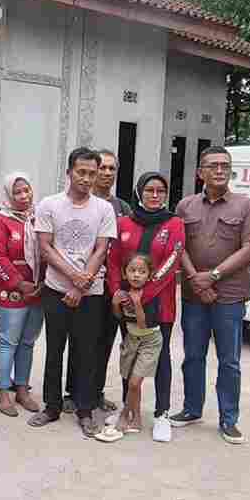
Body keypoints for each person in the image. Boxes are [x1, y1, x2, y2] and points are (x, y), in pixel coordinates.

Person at [172, 146, 250, 445]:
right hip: (194, 295)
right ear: (200, 172)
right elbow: (178, 246)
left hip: (230, 296)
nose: (220, 170)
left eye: (225, 165)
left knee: (229, 361)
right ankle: (191, 409)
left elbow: (249, 249)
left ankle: (229, 419)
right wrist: (196, 280)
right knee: (193, 356)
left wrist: (212, 276)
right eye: (213, 165)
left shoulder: (246, 206)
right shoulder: (185, 206)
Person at [28, 148, 116, 439]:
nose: (87, 178)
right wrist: (73, 278)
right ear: (69, 172)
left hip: (91, 292)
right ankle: (51, 406)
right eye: (81, 172)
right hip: (56, 289)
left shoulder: (104, 209)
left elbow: (101, 249)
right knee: (54, 349)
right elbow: (45, 247)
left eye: (92, 173)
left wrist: (81, 284)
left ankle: (85, 410)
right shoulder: (49, 205)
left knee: (87, 351)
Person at [107, 172, 186, 442]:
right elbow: (113, 261)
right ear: (139, 192)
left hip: (159, 304)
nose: (155, 195)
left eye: (160, 191)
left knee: (160, 358)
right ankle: (128, 409)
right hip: (127, 304)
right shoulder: (123, 223)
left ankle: (162, 413)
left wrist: (143, 295)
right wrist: (118, 292)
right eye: (149, 190)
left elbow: (171, 263)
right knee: (129, 355)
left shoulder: (174, 223)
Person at [71, 149, 132, 413]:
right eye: (103, 168)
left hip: (112, 286)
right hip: (82, 284)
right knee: (81, 342)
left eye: (111, 168)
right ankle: (73, 393)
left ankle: (95, 393)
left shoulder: (123, 208)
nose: (107, 173)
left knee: (105, 341)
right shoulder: (79, 202)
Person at [0, 173, 45, 417]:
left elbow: (49, 248)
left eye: (26, 190)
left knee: (28, 342)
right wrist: (19, 283)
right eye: (17, 192)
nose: (23, 196)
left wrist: (42, 282)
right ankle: (3, 392)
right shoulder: (0, 220)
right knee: (8, 341)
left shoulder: (39, 217)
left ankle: (22, 389)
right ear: (9, 195)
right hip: (10, 292)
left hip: (38, 290)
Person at [95, 254, 163, 443]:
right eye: (132, 270)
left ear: (149, 275)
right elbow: (120, 317)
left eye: (142, 271)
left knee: (133, 383)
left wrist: (138, 303)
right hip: (132, 339)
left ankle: (124, 416)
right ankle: (137, 419)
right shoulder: (124, 290)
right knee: (133, 382)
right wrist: (115, 303)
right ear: (125, 273)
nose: (136, 275)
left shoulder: (151, 295)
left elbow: (143, 324)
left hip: (149, 340)